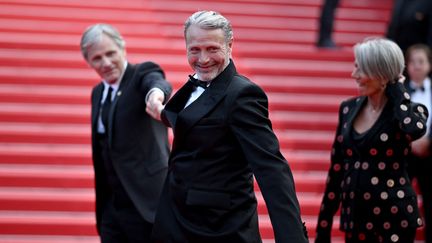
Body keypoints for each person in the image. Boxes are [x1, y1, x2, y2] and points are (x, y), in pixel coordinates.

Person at [151, 10, 308, 243]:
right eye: (195, 50)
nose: (203, 59)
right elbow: (187, 119)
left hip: (218, 227)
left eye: (212, 49)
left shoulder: (242, 95)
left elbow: (271, 168)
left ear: (230, 45)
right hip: (175, 219)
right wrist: (158, 106)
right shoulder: (194, 85)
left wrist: (292, 237)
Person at [315, 38, 428, 243]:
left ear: (381, 74)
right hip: (355, 219)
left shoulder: (407, 112)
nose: (354, 75)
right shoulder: (348, 108)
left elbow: (415, 130)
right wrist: (323, 226)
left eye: (360, 69)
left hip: (394, 219)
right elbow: (337, 170)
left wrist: (397, 91)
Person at [80, 23, 172, 243]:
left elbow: (157, 82)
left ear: (123, 48)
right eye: (97, 58)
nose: (106, 63)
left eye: (111, 53)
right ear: (89, 61)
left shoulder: (141, 74)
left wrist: (156, 95)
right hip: (112, 209)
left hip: (148, 204)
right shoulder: (98, 93)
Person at [404, 44, 432, 243]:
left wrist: (429, 141)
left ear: (429, 65)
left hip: (430, 155)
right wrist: (410, 142)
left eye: (421, 61)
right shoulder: (399, 92)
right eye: (412, 62)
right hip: (405, 155)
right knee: (403, 201)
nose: (417, 66)